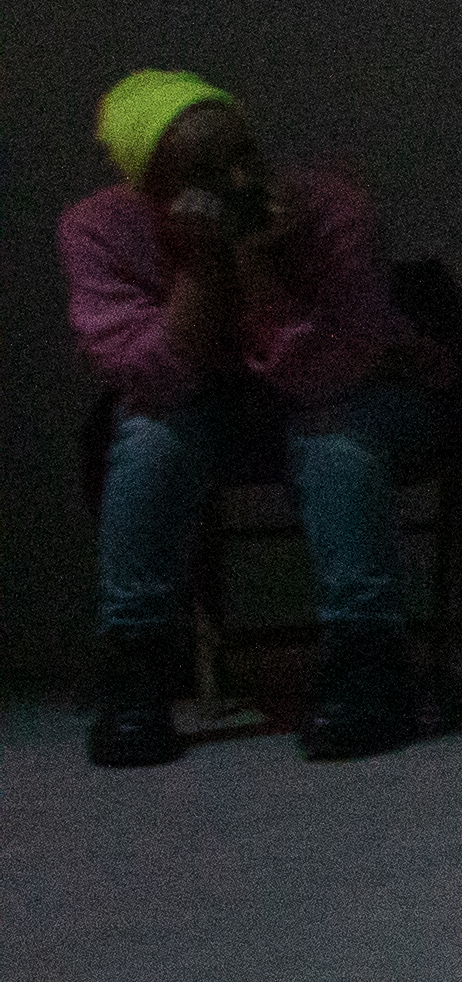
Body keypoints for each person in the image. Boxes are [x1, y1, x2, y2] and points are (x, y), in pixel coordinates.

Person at [65, 72, 438, 769]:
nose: (239, 179)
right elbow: (154, 378)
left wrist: (257, 266)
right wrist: (204, 271)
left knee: (336, 439)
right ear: (152, 186)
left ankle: (367, 659)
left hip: (353, 387)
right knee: (150, 437)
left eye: (246, 153)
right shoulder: (99, 231)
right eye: (205, 172)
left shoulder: (330, 210)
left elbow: (332, 369)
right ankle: (135, 667)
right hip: (209, 399)